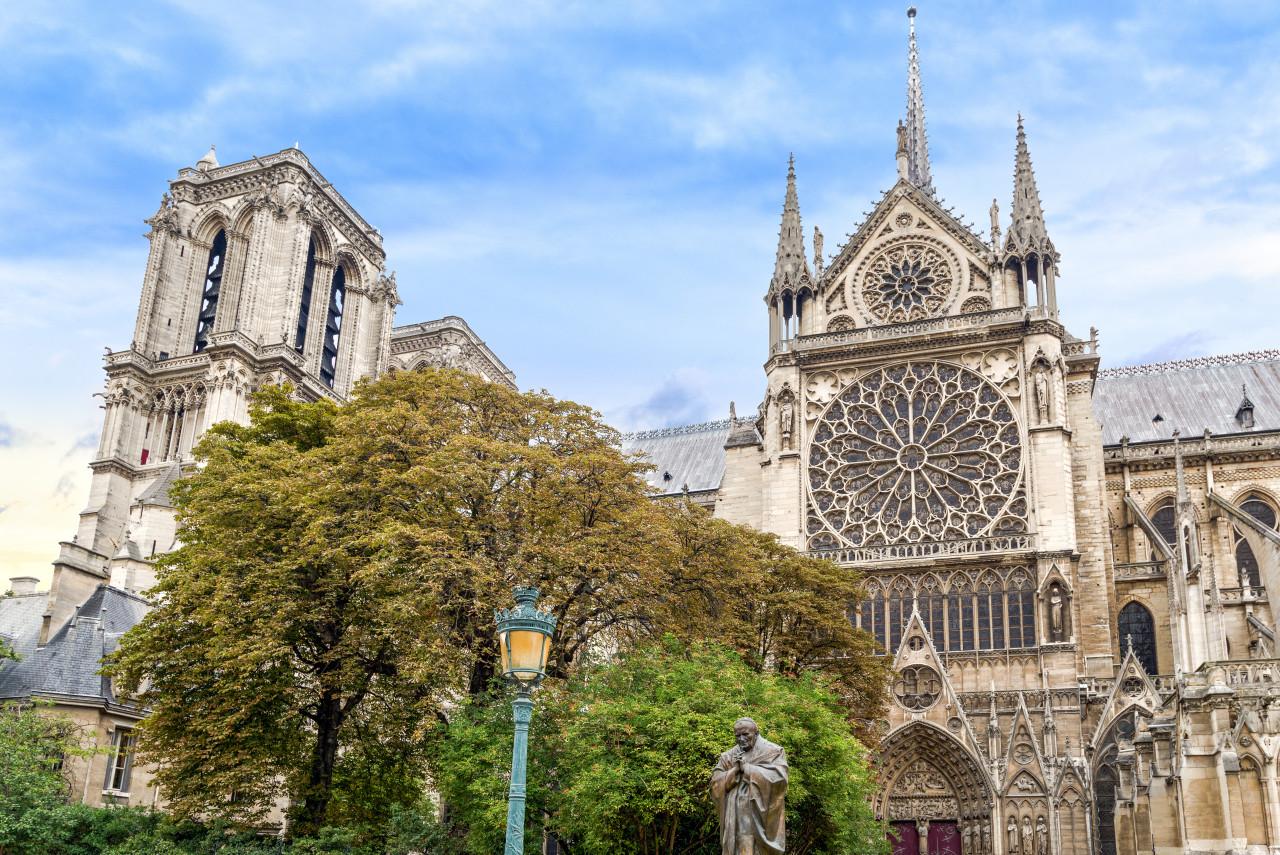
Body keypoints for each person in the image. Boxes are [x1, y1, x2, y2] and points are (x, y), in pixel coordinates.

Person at [710, 718, 788, 854]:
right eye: (737, 736)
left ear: (756, 733)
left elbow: (780, 779)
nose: (741, 739)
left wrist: (747, 769)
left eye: (745, 734)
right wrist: (734, 770)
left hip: (759, 815)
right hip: (733, 815)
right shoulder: (728, 756)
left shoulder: (773, 751)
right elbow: (715, 784)